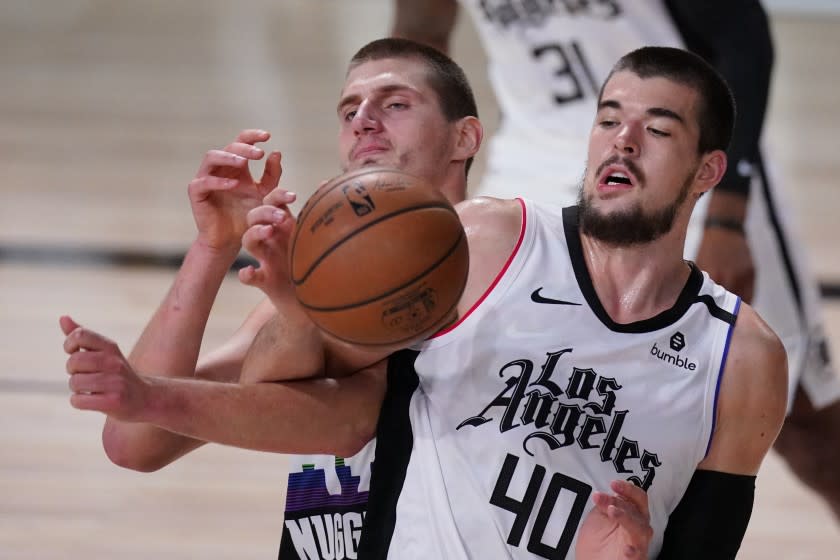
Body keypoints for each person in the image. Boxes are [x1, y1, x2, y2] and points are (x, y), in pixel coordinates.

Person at [63, 40, 787, 558]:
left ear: (465, 137)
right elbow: (142, 438)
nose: (363, 121)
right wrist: (218, 250)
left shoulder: (472, 261)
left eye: (395, 103)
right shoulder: (336, 284)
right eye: (348, 107)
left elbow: (344, 412)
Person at [392, 0, 840, 520]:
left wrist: (727, 215)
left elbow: (743, 39)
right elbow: (421, 32)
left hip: (673, 164)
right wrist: (414, 184)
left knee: (806, 427)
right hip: (533, 160)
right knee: (487, 390)